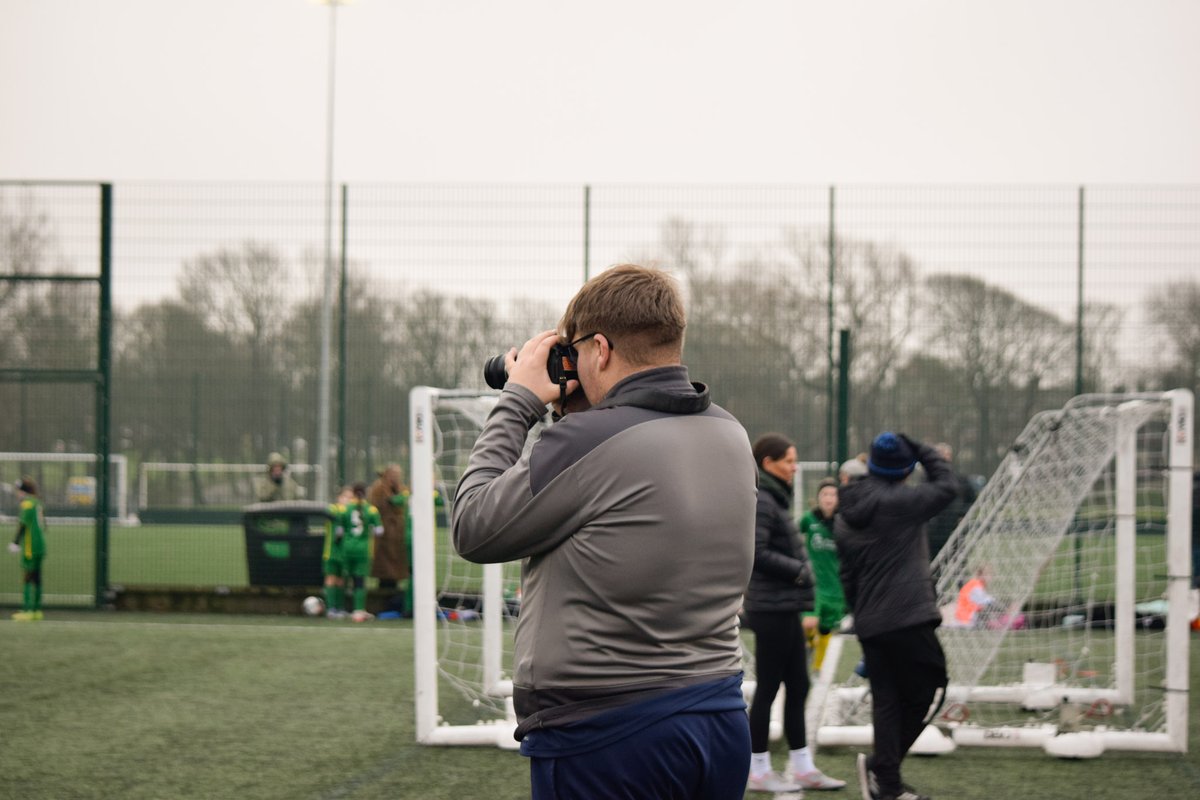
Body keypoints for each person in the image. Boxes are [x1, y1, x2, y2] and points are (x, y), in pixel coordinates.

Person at [452, 264, 757, 800]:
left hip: (609, 732)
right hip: (718, 714)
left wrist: (521, 399)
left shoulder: (587, 441)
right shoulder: (729, 432)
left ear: (599, 349)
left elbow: (474, 527)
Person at [835, 432, 957, 800]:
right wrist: (921, 447)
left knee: (887, 699)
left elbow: (847, 576)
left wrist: (862, 615)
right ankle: (882, 768)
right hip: (906, 616)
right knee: (931, 687)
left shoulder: (846, 509)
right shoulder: (903, 501)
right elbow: (948, 485)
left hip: (871, 621)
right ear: (906, 469)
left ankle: (887, 787)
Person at [744, 435, 846, 794]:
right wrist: (799, 571)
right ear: (768, 463)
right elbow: (754, 552)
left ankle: (802, 765)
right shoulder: (763, 501)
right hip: (771, 609)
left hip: (784, 607)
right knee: (769, 687)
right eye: (788, 460)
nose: (794, 466)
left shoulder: (775, 498)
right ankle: (757, 767)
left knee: (798, 684)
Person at [801, 477, 847, 673]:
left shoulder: (844, 523)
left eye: (833, 494)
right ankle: (810, 644)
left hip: (836, 586)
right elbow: (794, 537)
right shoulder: (808, 520)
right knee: (809, 622)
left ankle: (818, 665)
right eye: (825, 494)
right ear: (818, 498)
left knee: (826, 628)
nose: (829, 498)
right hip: (814, 584)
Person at [367, 463, 411, 615]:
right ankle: (384, 593)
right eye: (395, 475)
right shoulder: (379, 487)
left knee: (397, 563)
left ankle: (393, 590)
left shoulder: (399, 487)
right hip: (384, 532)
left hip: (397, 533)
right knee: (384, 563)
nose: (397, 478)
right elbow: (388, 502)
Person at [338, 482, 383, 623]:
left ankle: (340, 608)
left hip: (347, 547)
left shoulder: (346, 509)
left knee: (345, 578)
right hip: (362, 550)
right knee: (359, 580)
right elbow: (379, 531)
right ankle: (358, 611)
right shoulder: (371, 510)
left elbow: (339, 531)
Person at [924, 443, 976, 561]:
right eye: (940, 455)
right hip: (933, 533)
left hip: (954, 531)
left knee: (958, 565)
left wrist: (963, 515)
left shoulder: (961, 480)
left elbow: (971, 500)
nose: (944, 458)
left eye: (946, 454)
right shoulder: (927, 481)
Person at [8, 477, 47, 621]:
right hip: (41, 544)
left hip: (31, 545)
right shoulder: (38, 502)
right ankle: (37, 611)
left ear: (23, 491)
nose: (17, 494)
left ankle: (27, 610)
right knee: (37, 577)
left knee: (27, 577)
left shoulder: (27, 504)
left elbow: (23, 524)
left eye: (18, 491)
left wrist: (15, 543)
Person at [322, 485, 354, 619]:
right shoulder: (333, 509)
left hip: (345, 553)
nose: (347, 500)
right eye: (345, 496)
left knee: (342, 580)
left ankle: (340, 608)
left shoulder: (352, 513)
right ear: (339, 498)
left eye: (351, 497)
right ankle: (331, 608)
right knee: (331, 578)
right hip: (331, 552)